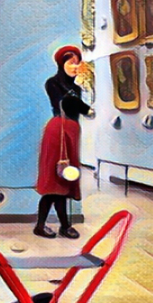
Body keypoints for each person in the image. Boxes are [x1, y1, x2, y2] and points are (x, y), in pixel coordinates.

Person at [34, 45, 93, 239]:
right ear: (62, 64)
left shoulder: (76, 87)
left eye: (77, 63)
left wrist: (84, 93)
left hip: (71, 131)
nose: (75, 67)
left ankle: (61, 226)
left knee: (66, 180)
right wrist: (84, 105)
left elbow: (83, 109)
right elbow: (66, 103)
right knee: (55, 181)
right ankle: (49, 225)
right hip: (58, 131)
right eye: (71, 63)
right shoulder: (52, 83)